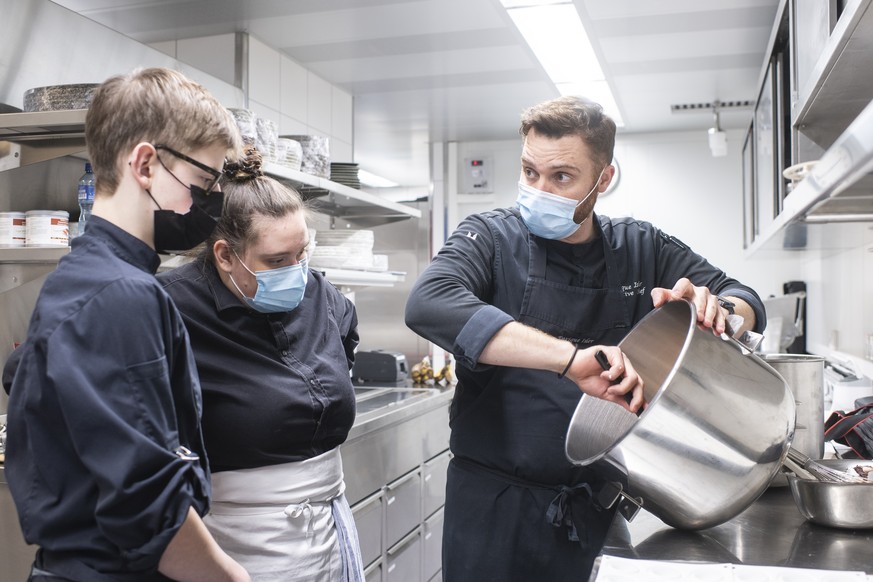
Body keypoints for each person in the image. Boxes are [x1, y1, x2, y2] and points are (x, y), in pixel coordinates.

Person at [404, 95, 766, 581]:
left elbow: (745, 299)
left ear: (604, 179)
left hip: (598, 504)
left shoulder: (641, 246)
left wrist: (718, 309)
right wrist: (569, 360)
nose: (540, 189)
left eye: (561, 177)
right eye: (530, 172)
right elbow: (429, 302)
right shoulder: (490, 239)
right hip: (493, 507)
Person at [3, 67, 250, 581]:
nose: (207, 203)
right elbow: (149, 509)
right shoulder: (121, 294)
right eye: (202, 182)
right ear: (144, 164)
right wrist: (234, 578)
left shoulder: (86, 275)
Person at [157, 148, 365, 582]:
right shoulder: (168, 305)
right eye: (276, 261)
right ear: (225, 255)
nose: (296, 272)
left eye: (301, 254)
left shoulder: (321, 296)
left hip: (326, 529)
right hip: (232, 543)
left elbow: (342, 344)